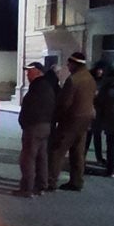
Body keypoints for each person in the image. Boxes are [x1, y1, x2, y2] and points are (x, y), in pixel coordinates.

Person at [48, 52, 97, 192]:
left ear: (75, 64)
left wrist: (56, 117)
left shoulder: (73, 80)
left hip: (71, 120)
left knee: (57, 151)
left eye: (69, 64)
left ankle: (50, 181)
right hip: (85, 120)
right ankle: (77, 181)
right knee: (78, 152)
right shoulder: (90, 78)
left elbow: (65, 103)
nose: (67, 66)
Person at [14, 62, 56, 197]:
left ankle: (27, 188)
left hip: (34, 126)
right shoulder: (46, 86)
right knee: (42, 156)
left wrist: (24, 122)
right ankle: (41, 185)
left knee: (28, 158)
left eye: (30, 71)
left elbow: (31, 108)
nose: (27, 74)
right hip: (45, 126)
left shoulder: (38, 87)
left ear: (38, 72)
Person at [85, 62, 108, 165]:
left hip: (99, 110)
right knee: (88, 135)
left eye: (101, 70)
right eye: (98, 70)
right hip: (90, 109)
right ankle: (83, 156)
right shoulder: (91, 80)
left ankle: (99, 157)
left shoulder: (103, 82)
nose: (100, 72)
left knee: (97, 135)